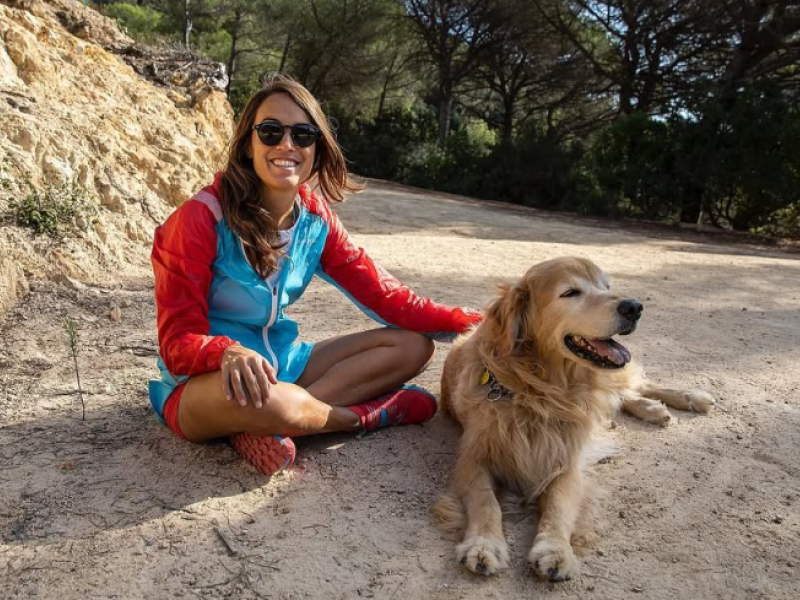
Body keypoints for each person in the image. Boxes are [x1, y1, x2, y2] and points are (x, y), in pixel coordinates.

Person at [148, 75, 482, 476]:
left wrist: (478, 320)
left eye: (302, 134)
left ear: (316, 148)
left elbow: (387, 297)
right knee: (277, 403)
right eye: (270, 132)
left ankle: (279, 424)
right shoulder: (199, 218)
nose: (286, 145)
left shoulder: (315, 219)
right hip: (206, 383)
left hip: (284, 364)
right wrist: (226, 351)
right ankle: (357, 417)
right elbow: (176, 343)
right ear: (248, 144)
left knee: (414, 346)